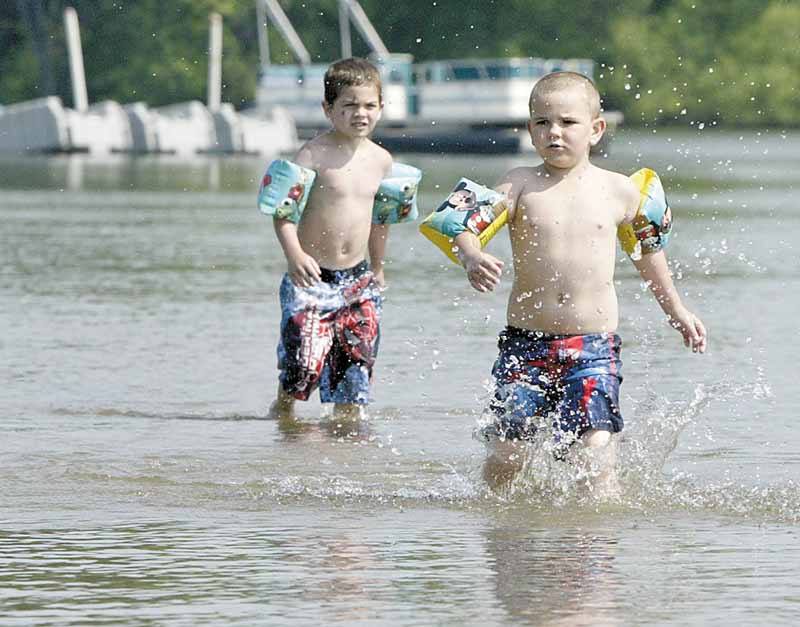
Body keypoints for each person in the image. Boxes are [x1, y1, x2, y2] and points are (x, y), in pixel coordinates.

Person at [452, 71, 708, 494]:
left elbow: (648, 255)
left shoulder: (620, 190)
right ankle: (496, 519)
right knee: (507, 452)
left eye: (567, 122)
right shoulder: (518, 182)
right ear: (530, 129)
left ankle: (596, 527)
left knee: (594, 450)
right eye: (542, 122)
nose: (554, 132)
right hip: (526, 344)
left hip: (593, 346)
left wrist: (676, 310)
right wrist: (472, 255)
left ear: (596, 129)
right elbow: (461, 223)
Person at [266, 57, 394, 421]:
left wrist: (379, 266)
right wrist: (294, 255)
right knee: (303, 363)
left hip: (358, 279)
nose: (360, 113)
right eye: (349, 105)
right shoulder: (311, 155)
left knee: (355, 364)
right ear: (328, 108)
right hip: (310, 276)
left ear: (381, 107)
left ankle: (345, 435)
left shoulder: (383, 161)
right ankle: (284, 410)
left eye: (369, 105)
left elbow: (381, 221)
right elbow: (283, 212)